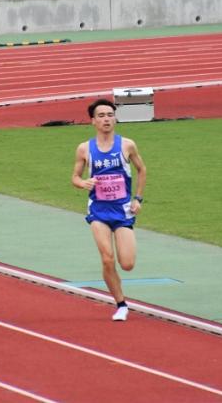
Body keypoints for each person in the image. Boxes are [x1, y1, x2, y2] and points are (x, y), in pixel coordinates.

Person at [72, 99, 147, 322]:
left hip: (123, 211)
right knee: (107, 259)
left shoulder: (127, 145)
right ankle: (121, 304)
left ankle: (121, 299)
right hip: (98, 210)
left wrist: (138, 198)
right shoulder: (85, 148)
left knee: (127, 264)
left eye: (109, 115)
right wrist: (82, 183)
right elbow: (74, 176)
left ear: (115, 118)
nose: (106, 119)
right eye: (101, 115)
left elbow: (142, 170)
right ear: (93, 121)